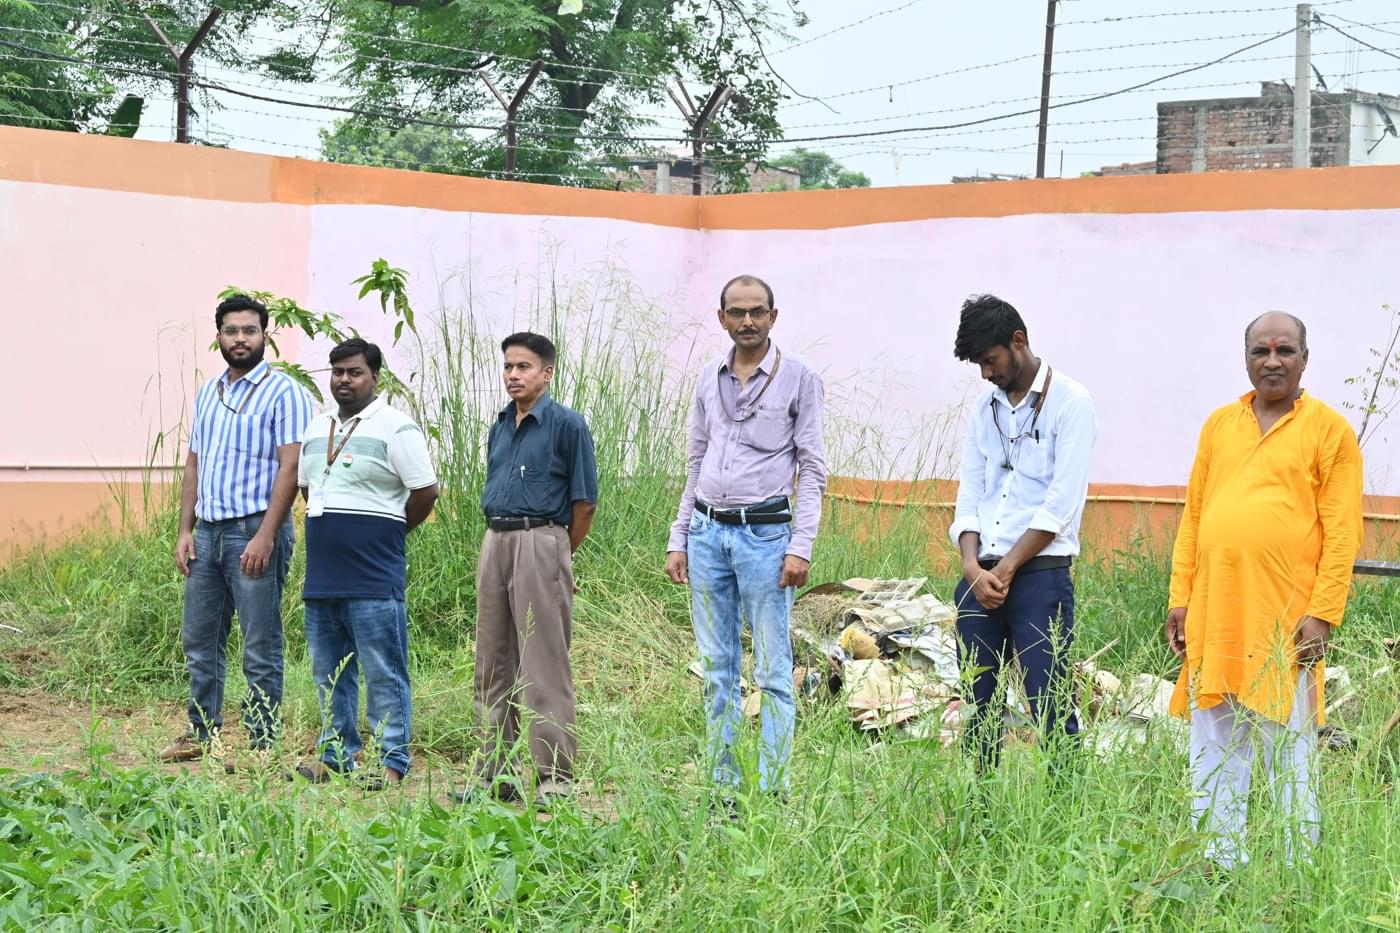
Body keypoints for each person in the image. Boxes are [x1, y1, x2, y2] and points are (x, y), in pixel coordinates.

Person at [1165, 311, 1363, 870]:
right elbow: (1193, 518)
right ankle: (1220, 863)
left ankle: (1298, 869)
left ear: (1305, 358)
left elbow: (1343, 532)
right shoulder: (1218, 425)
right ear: (1245, 358)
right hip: (1215, 613)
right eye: (1260, 350)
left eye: (1284, 350)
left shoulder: (1329, 430)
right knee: (1213, 745)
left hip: (1287, 622)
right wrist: (1180, 599)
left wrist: (1323, 613)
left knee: (1289, 749)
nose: (1271, 360)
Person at [665, 274, 828, 799]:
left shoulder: (798, 379)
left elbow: (813, 469)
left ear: (774, 317)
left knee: (774, 669)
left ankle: (775, 788)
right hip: (708, 533)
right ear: (722, 319)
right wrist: (680, 535)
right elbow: (696, 460)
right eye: (737, 312)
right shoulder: (709, 379)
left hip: (766, 538)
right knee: (717, 668)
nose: (748, 321)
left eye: (757, 311)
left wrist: (801, 545)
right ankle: (723, 786)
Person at [948, 294, 1096, 773]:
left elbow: (1061, 505)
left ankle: (1063, 816)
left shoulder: (1071, 402)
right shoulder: (983, 409)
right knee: (979, 707)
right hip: (979, 579)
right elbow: (969, 493)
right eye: (979, 365)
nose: (986, 373)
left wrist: (1007, 568)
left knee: (1049, 704)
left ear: (1019, 341)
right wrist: (973, 570)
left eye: (990, 361)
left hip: (1039, 578)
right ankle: (983, 813)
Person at [163, 294, 313, 764]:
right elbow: (194, 464)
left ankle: (260, 742)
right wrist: (185, 530)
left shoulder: (284, 392)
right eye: (232, 331)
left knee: (259, 640)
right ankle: (200, 732)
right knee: (200, 639)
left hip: (254, 530)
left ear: (265, 335)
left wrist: (267, 535)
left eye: (250, 330)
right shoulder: (210, 392)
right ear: (219, 337)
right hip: (207, 533)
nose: (241, 339)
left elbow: (291, 468)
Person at [295, 339, 439, 787]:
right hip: (323, 577)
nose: (343, 379)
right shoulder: (318, 427)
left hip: (374, 574)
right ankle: (337, 753)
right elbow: (308, 490)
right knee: (329, 671)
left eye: (354, 372)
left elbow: (426, 491)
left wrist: (388, 533)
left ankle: (391, 760)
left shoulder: (395, 426)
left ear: (375, 376)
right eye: (337, 371)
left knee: (383, 669)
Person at [466, 332, 598, 807]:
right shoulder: (500, 427)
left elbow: (584, 505)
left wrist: (558, 554)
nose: (513, 375)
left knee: (543, 661)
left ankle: (554, 778)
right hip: (495, 540)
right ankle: (493, 774)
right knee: (492, 662)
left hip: (542, 539)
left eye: (524, 367)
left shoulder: (567, 426)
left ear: (547, 372)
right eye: (507, 367)